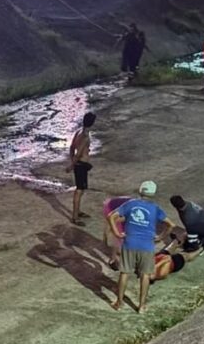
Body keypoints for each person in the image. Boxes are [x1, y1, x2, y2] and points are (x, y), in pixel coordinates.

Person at [107, 181, 175, 312]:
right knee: (145, 275)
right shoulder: (155, 208)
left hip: (129, 243)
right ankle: (142, 306)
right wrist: (160, 237)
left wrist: (117, 233)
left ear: (140, 191)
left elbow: (111, 217)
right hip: (147, 245)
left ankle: (119, 303)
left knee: (125, 273)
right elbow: (171, 225)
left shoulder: (130, 204)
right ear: (153, 194)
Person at [67, 112, 96, 225]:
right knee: (79, 191)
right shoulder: (85, 137)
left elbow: (72, 148)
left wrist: (72, 160)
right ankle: (75, 217)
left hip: (79, 164)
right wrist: (72, 165)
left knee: (81, 189)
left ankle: (77, 212)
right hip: (81, 165)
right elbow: (79, 153)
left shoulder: (78, 132)